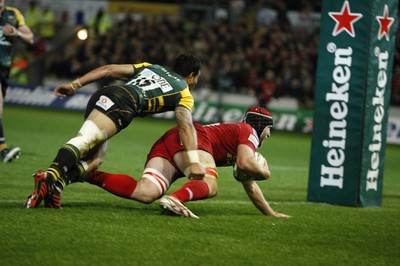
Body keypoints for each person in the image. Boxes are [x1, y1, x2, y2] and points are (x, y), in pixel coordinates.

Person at [26, 106, 290, 219]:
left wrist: (270, 213)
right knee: (210, 183)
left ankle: (81, 174)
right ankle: (175, 199)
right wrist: (264, 171)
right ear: (261, 125)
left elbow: (248, 182)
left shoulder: (241, 135)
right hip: (192, 139)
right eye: (269, 129)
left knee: (146, 192)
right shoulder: (249, 132)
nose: (269, 135)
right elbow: (245, 165)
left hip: (171, 141)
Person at [25, 53, 205, 208]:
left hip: (107, 93)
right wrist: (194, 161)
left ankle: (56, 187)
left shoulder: (152, 67)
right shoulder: (184, 94)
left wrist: (74, 86)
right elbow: (186, 126)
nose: (195, 82)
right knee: (86, 139)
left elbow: (108, 70)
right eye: (197, 78)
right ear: (191, 76)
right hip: (123, 104)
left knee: (95, 160)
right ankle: (49, 176)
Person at [0, 0, 34, 162]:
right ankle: (3, 149)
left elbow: (30, 38)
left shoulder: (13, 14)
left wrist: (16, 33)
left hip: (4, 67)